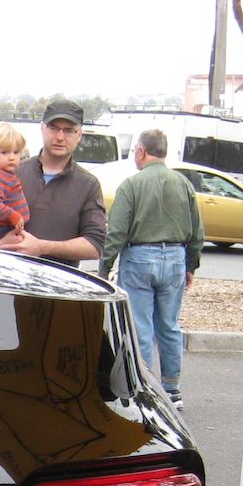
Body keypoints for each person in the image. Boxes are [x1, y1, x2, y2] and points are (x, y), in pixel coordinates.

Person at [98, 128, 203, 410]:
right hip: (176, 258)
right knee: (169, 325)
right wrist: (191, 263)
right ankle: (173, 389)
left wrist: (104, 267)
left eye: (135, 152)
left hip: (139, 258)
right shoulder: (184, 185)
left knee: (141, 327)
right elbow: (197, 231)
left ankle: (147, 390)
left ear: (142, 151)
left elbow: (117, 231)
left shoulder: (131, 185)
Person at [0, 99, 106, 267]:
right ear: (42, 128)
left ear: (79, 135)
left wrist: (42, 247)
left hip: (56, 288)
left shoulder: (88, 185)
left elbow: (95, 245)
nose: (60, 137)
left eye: (69, 130)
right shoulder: (9, 172)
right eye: (53, 128)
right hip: (7, 284)